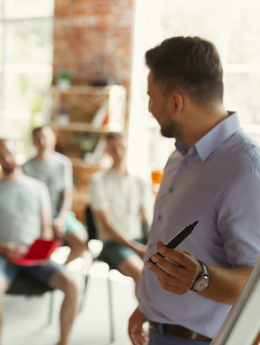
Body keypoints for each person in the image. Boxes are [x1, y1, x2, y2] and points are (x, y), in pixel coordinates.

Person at [128, 36, 260, 345]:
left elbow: (256, 285)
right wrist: (148, 307)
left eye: (151, 97)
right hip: (159, 329)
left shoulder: (246, 172)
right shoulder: (179, 156)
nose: (148, 107)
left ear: (175, 102)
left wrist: (200, 277)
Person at [0, 139, 79, 345]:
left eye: (8, 153)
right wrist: (5, 249)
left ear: (17, 152)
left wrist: (42, 251)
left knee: (73, 285)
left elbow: (46, 229)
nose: (5, 158)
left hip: (36, 256)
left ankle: (63, 342)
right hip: (3, 256)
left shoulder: (38, 188)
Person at [89, 132, 151, 292]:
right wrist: (136, 248)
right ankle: (149, 316)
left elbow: (146, 221)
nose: (119, 152)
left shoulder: (139, 182)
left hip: (140, 240)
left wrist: (152, 244)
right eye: (113, 148)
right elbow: (107, 225)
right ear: (107, 151)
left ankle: (159, 314)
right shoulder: (99, 181)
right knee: (142, 274)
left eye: (121, 147)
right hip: (113, 243)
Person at [22, 126, 88, 264]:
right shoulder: (26, 167)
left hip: (59, 213)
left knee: (81, 241)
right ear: (33, 142)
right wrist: (46, 221)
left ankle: (61, 270)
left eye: (45, 137)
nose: (42, 142)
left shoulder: (63, 163)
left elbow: (66, 195)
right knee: (42, 246)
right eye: (37, 138)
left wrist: (60, 218)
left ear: (54, 140)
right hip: (37, 215)